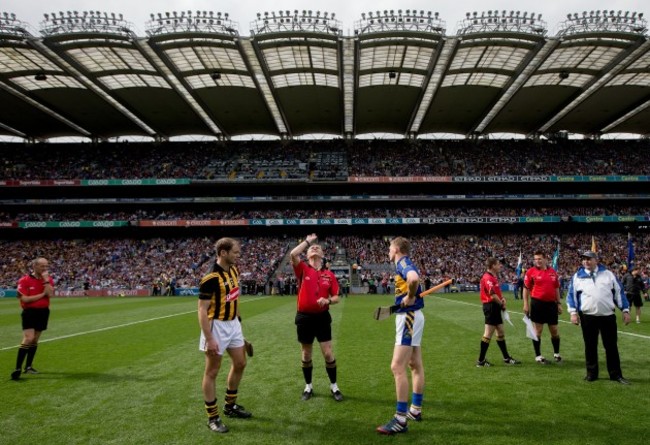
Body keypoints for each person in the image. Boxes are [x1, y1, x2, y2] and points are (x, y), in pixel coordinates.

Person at [198, 237, 252, 434]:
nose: (238, 255)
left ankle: (230, 406)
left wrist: (239, 324)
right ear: (223, 253)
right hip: (216, 327)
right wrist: (210, 339)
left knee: (240, 363)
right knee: (212, 371)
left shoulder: (234, 270)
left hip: (233, 324)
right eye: (235, 252)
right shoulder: (210, 277)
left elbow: (235, 297)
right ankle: (212, 417)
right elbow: (202, 310)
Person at [376, 237, 425, 435]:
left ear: (396, 248)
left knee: (397, 366)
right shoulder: (402, 264)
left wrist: (411, 296)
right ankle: (415, 410)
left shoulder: (403, 262)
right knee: (415, 364)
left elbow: (413, 279)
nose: (388, 250)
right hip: (411, 316)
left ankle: (400, 419)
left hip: (409, 317)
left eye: (389, 247)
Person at [290, 234, 343, 402]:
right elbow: (292, 254)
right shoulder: (303, 269)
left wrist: (327, 300)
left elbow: (336, 297)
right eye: (312, 248)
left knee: (328, 353)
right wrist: (307, 241)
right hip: (304, 317)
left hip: (322, 317)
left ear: (322, 255)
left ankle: (334, 386)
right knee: (306, 354)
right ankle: (308, 386)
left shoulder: (329, 275)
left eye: (318, 247)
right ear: (306, 255)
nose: (314, 248)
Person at [566, 250, 631, 384]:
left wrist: (625, 310)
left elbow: (619, 293)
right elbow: (571, 296)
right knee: (590, 346)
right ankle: (591, 373)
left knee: (611, 346)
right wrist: (573, 313)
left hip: (607, 316)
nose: (586, 262)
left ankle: (616, 374)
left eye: (589, 259)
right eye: (584, 259)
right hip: (588, 316)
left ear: (596, 260)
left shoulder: (608, 275)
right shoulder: (577, 276)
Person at [11, 258, 54, 380]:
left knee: (34, 340)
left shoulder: (48, 279)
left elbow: (50, 294)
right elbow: (25, 299)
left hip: (43, 312)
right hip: (29, 312)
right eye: (42, 266)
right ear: (34, 266)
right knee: (28, 338)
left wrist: (46, 281)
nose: (45, 268)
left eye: (46, 266)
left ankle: (28, 367)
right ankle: (17, 368)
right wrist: (42, 295)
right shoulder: (24, 280)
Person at [476, 257, 520, 368]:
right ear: (492, 266)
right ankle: (480, 361)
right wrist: (501, 304)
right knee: (488, 333)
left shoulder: (492, 277)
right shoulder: (488, 278)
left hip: (494, 306)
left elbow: (497, 293)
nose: (500, 266)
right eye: (498, 264)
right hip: (491, 306)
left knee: (500, 332)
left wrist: (502, 299)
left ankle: (506, 358)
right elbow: (492, 294)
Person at [522, 251, 563, 364]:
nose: (537, 261)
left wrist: (559, 303)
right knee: (538, 331)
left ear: (545, 259)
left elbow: (556, 289)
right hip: (537, 304)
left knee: (554, 330)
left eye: (539, 259)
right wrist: (525, 304)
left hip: (551, 305)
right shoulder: (530, 272)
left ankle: (556, 353)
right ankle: (538, 356)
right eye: (535, 259)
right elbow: (525, 289)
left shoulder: (553, 272)